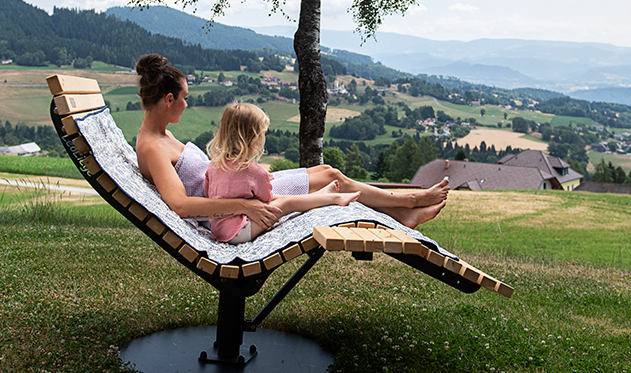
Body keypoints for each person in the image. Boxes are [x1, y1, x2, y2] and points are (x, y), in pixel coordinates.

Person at [134, 54, 448, 233]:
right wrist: (244, 205)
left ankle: (402, 209)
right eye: (185, 99)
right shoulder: (152, 147)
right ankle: (406, 203)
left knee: (327, 171)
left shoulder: (162, 136)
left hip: (236, 186)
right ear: (169, 99)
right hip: (233, 203)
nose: (187, 105)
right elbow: (181, 205)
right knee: (332, 178)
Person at [204, 102, 360, 243]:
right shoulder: (254, 172)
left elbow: (208, 191)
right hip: (239, 232)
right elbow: (266, 198)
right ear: (254, 137)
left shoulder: (215, 165)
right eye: (262, 132)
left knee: (282, 199)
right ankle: (334, 198)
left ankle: (321, 196)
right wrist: (263, 179)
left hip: (219, 229)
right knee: (287, 203)